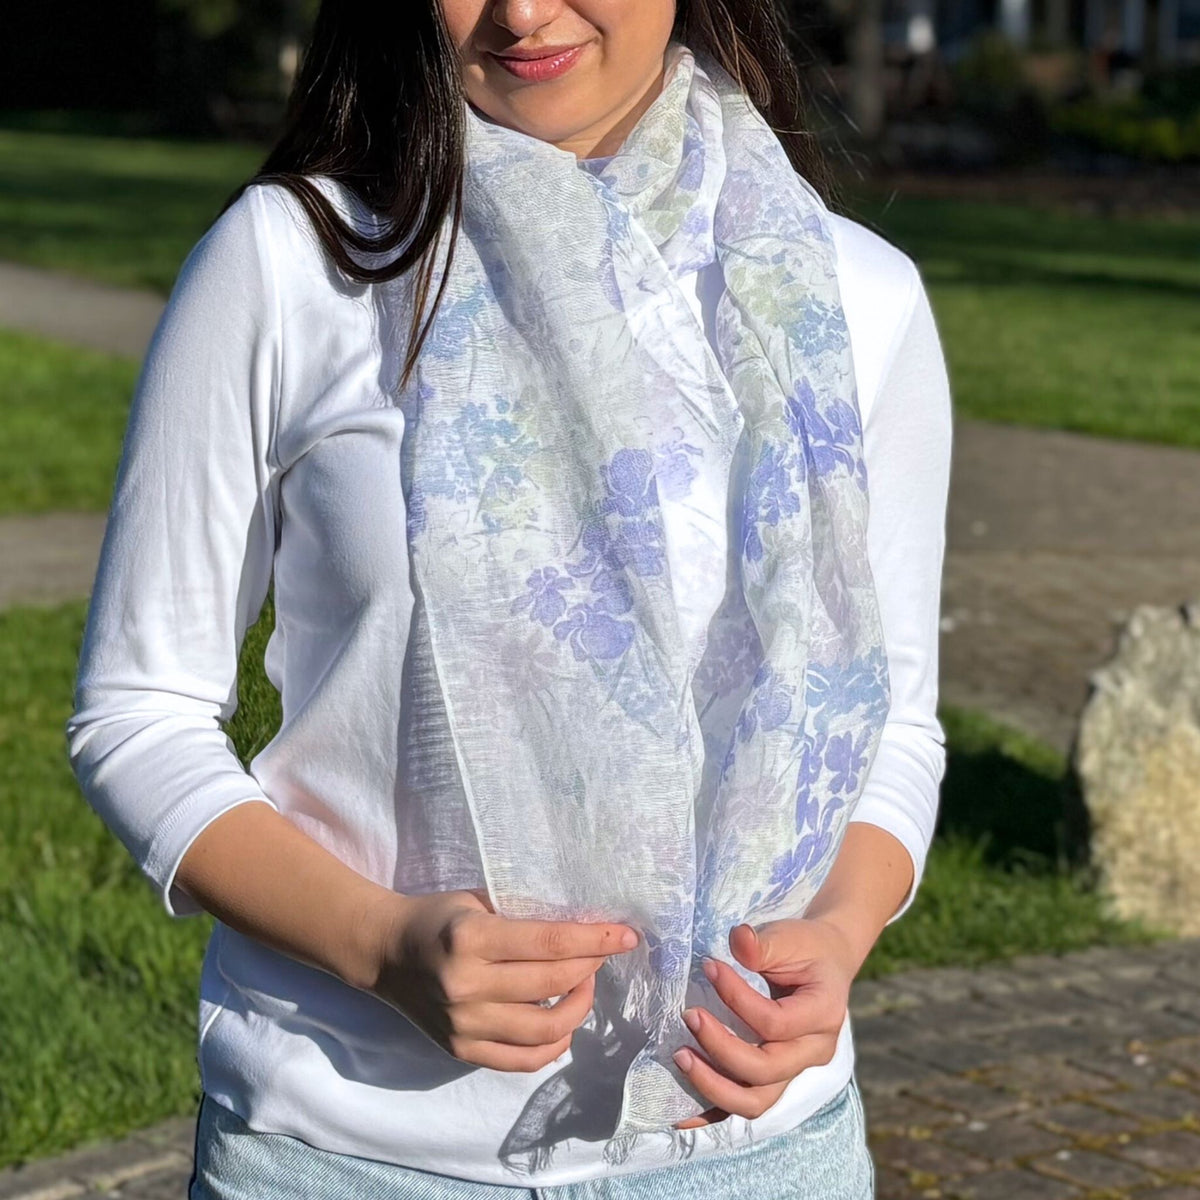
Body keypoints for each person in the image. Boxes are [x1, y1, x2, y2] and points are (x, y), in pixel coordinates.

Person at [65, 1, 951, 1197]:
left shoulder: (856, 298)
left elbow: (889, 725)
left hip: (753, 1150)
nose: (524, 11)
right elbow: (138, 713)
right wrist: (380, 948)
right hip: (350, 1149)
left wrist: (839, 934)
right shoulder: (301, 261)